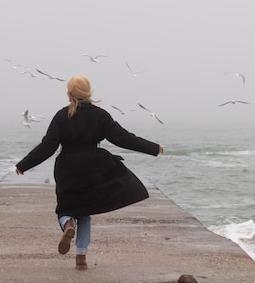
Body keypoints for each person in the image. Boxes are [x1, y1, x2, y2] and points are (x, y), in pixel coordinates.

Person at [15, 76, 163, 270]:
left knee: (66, 208)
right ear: (88, 93)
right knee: (85, 211)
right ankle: (81, 258)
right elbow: (122, 138)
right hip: (93, 166)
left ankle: (68, 223)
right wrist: (152, 148)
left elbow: (48, 146)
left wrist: (24, 165)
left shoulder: (62, 116)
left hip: (67, 167)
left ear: (69, 94)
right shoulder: (100, 115)